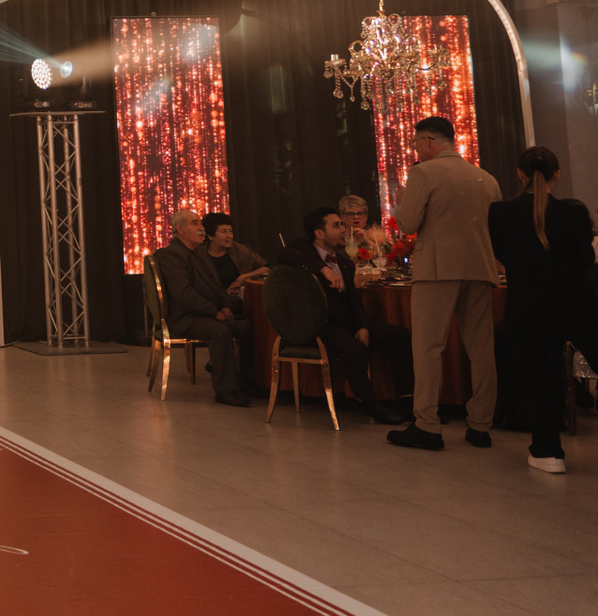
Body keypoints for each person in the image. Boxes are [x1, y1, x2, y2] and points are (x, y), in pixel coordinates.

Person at [389, 115, 503, 451]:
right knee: (482, 349)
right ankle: (480, 424)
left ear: (427, 141)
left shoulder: (424, 173)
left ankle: (427, 424)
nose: (416, 150)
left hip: (437, 269)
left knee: (428, 347)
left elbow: (408, 223)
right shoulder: (486, 178)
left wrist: (401, 199)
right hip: (480, 267)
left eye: (416, 143)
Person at [488, 146, 598, 474]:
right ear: (557, 174)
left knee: (540, 378)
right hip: (576, 302)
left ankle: (548, 452)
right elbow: (586, 260)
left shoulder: (500, 212)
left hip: (528, 305)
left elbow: (502, 255)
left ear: (519, 174)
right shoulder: (573, 213)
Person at [272, 207, 412, 424]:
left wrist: (363, 326)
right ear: (319, 233)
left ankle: (407, 402)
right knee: (355, 350)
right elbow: (284, 254)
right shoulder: (303, 250)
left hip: (347, 322)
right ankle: (369, 404)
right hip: (319, 325)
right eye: (337, 225)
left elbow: (354, 301)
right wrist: (322, 269)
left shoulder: (345, 262)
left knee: (401, 337)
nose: (344, 229)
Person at [155, 209, 251, 406]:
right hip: (185, 318)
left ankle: (249, 382)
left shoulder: (199, 252)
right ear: (180, 229)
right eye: (195, 223)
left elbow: (217, 287)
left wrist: (225, 307)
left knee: (249, 325)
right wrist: (214, 313)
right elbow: (184, 294)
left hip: (206, 313)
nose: (201, 228)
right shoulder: (170, 255)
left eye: (200, 223)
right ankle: (225, 391)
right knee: (220, 331)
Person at [199, 214, 267, 293]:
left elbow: (266, 267)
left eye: (230, 231)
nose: (229, 236)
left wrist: (244, 277)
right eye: (224, 232)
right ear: (210, 236)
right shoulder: (200, 254)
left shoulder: (239, 250)